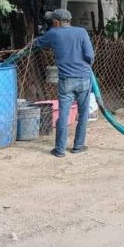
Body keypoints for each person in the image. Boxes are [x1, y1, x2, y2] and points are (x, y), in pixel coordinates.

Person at [32, 9, 95, 157]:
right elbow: (90, 56)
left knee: (63, 114)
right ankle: (78, 146)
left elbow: (37, 44)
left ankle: (60, 150)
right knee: (83, 114)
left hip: (66, 80)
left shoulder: (53, 33)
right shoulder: (81, 32)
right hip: (84, 78)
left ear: (56, 22)